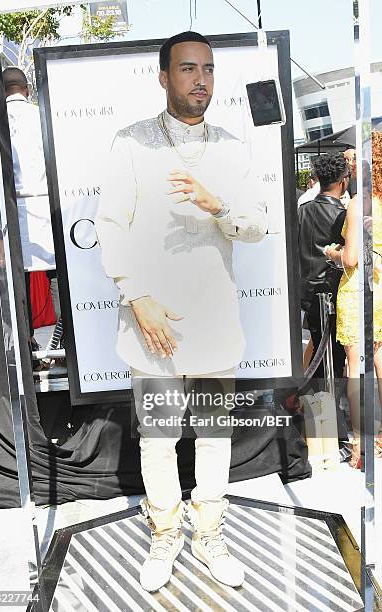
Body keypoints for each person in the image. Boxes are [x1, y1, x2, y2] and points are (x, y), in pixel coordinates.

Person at [96, 31, 267, 592]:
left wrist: (217, 203)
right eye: (189, 69)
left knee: (216, 436)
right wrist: (136, 298)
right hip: (155, 320)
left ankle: (211, 535)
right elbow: (111, 227)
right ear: (164, 76)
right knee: (160, 438)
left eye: (209, 70)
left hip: (215, 318)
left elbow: (258, 225)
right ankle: (166, 534)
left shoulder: (231, 148)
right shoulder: (131, 142)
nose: (202, 81)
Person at [326, 132, 382, 468]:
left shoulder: (360, 204)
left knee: (355, 369)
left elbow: (350, 259)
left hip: (358, 291)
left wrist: (332, 253)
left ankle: (360, 445)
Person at [3, 68, 60, 357]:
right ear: (26, 90)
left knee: (21, 281)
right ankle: (63, 342)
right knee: (57, 274)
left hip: (12, 210)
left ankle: (27, 345)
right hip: (47, 203)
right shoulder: (41, 116)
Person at [298, 153, 348, 383]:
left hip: (306, 292)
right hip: (334, 292)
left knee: (320, 349)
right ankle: (327, 410)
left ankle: (317, 406)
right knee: (334, 357)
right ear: (342, 182)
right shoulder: (343, 215)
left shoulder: (302, 210)